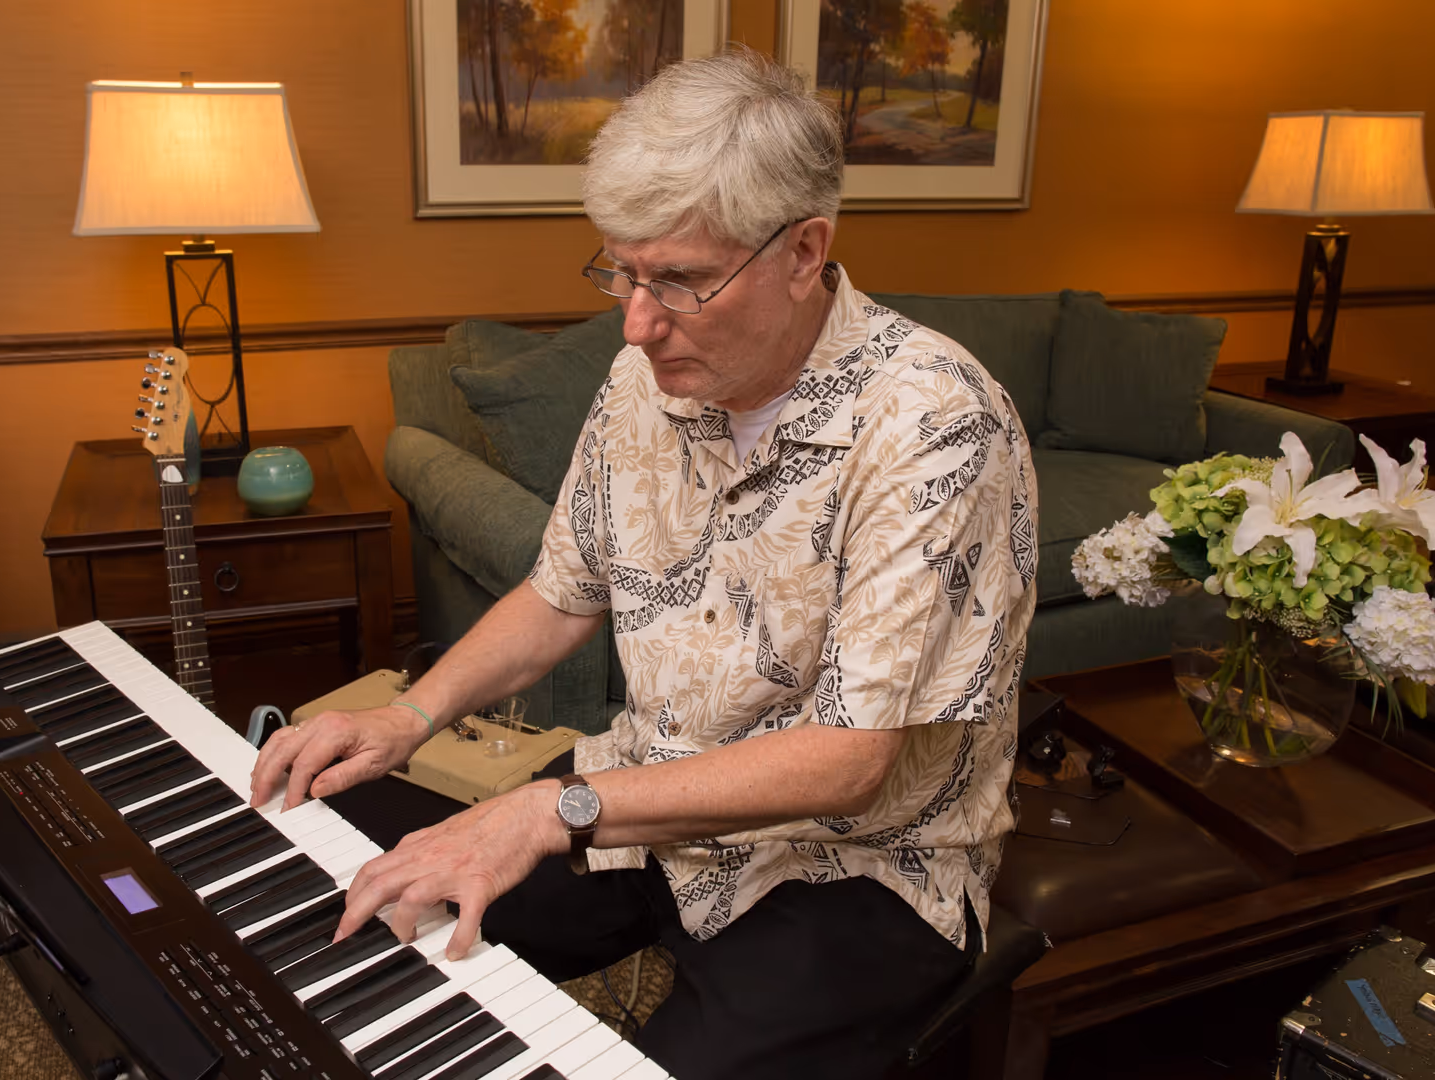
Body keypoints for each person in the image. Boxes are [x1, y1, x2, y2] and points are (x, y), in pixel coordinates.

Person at [250, 48, 1038, 1079]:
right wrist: (410, 715)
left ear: (805, 250)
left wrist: (547, 807)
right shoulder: (642, 377)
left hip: (859, 865)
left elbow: (851, 761)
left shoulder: (936, 423)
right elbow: (559, 594)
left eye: (680, 279)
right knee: (357, 894)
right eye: (621, 270)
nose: (636, 319)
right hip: (645, 795)